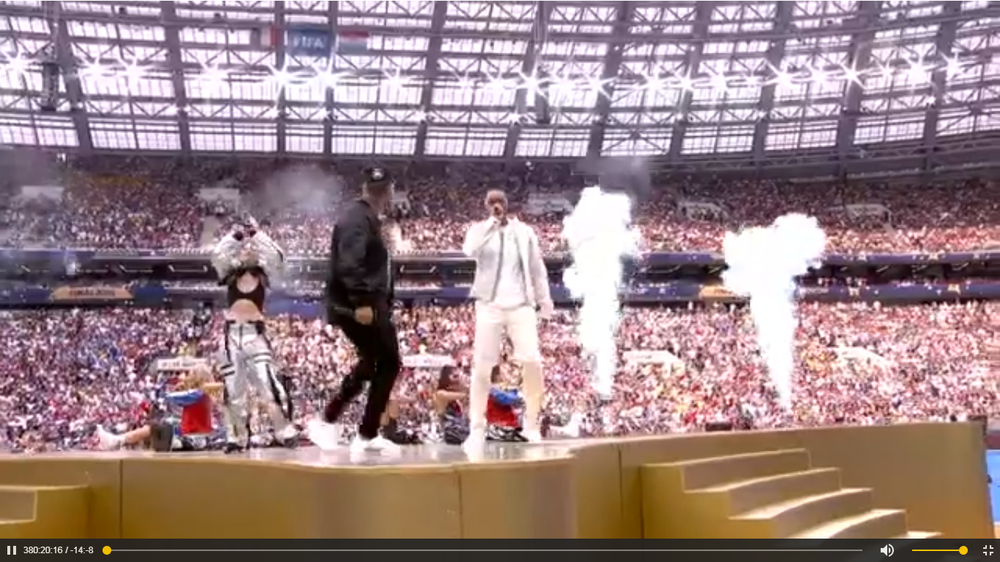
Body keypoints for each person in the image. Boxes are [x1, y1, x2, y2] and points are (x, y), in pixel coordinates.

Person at [308, 167, 402, 454]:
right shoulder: (357, 218)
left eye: (381, 187)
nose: (380, 191)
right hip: (360, 305)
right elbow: (349, 263)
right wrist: (361, 301)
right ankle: (355, 429)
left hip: (369, 303)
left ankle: (336, 421)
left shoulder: (366, 218)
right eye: (377, 187)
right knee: (388, 362)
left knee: (373, 361)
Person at [461, 189, 554, 450]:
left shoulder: (524, 232)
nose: (496, 205)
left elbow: (537, 268)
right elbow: (469, 250)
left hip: (521, 304)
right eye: (491, 202)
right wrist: (490, 224)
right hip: (489, 304)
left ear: (507, 204)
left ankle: (532, 425)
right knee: (482, 366)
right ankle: (476, 427)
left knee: (532, 361)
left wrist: (545, 300)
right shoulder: (479, 231)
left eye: (499, 201)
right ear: (485, 206)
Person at [210, 215, 297, 453]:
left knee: (268, 384)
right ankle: (236, 438)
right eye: (244, 247)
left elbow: (277, 256)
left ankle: (284, 431)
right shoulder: (230, 272)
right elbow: (217, 255)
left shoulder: (263, 272)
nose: (246, 249)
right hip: (231, 336)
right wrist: (235, 236)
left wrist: (257, 234)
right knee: (233, 390)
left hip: (255, 334)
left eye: (251, 247)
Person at [95, 366, 223, 451]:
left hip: (196, 438)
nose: (186, 376)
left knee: (157, 426)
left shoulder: (199, 394)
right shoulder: (205, 394)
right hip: (194, 434)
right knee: (159, 425)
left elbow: (172, 399)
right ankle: (118, 441)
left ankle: (117, 441)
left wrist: (174, 390)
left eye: (190, 374)